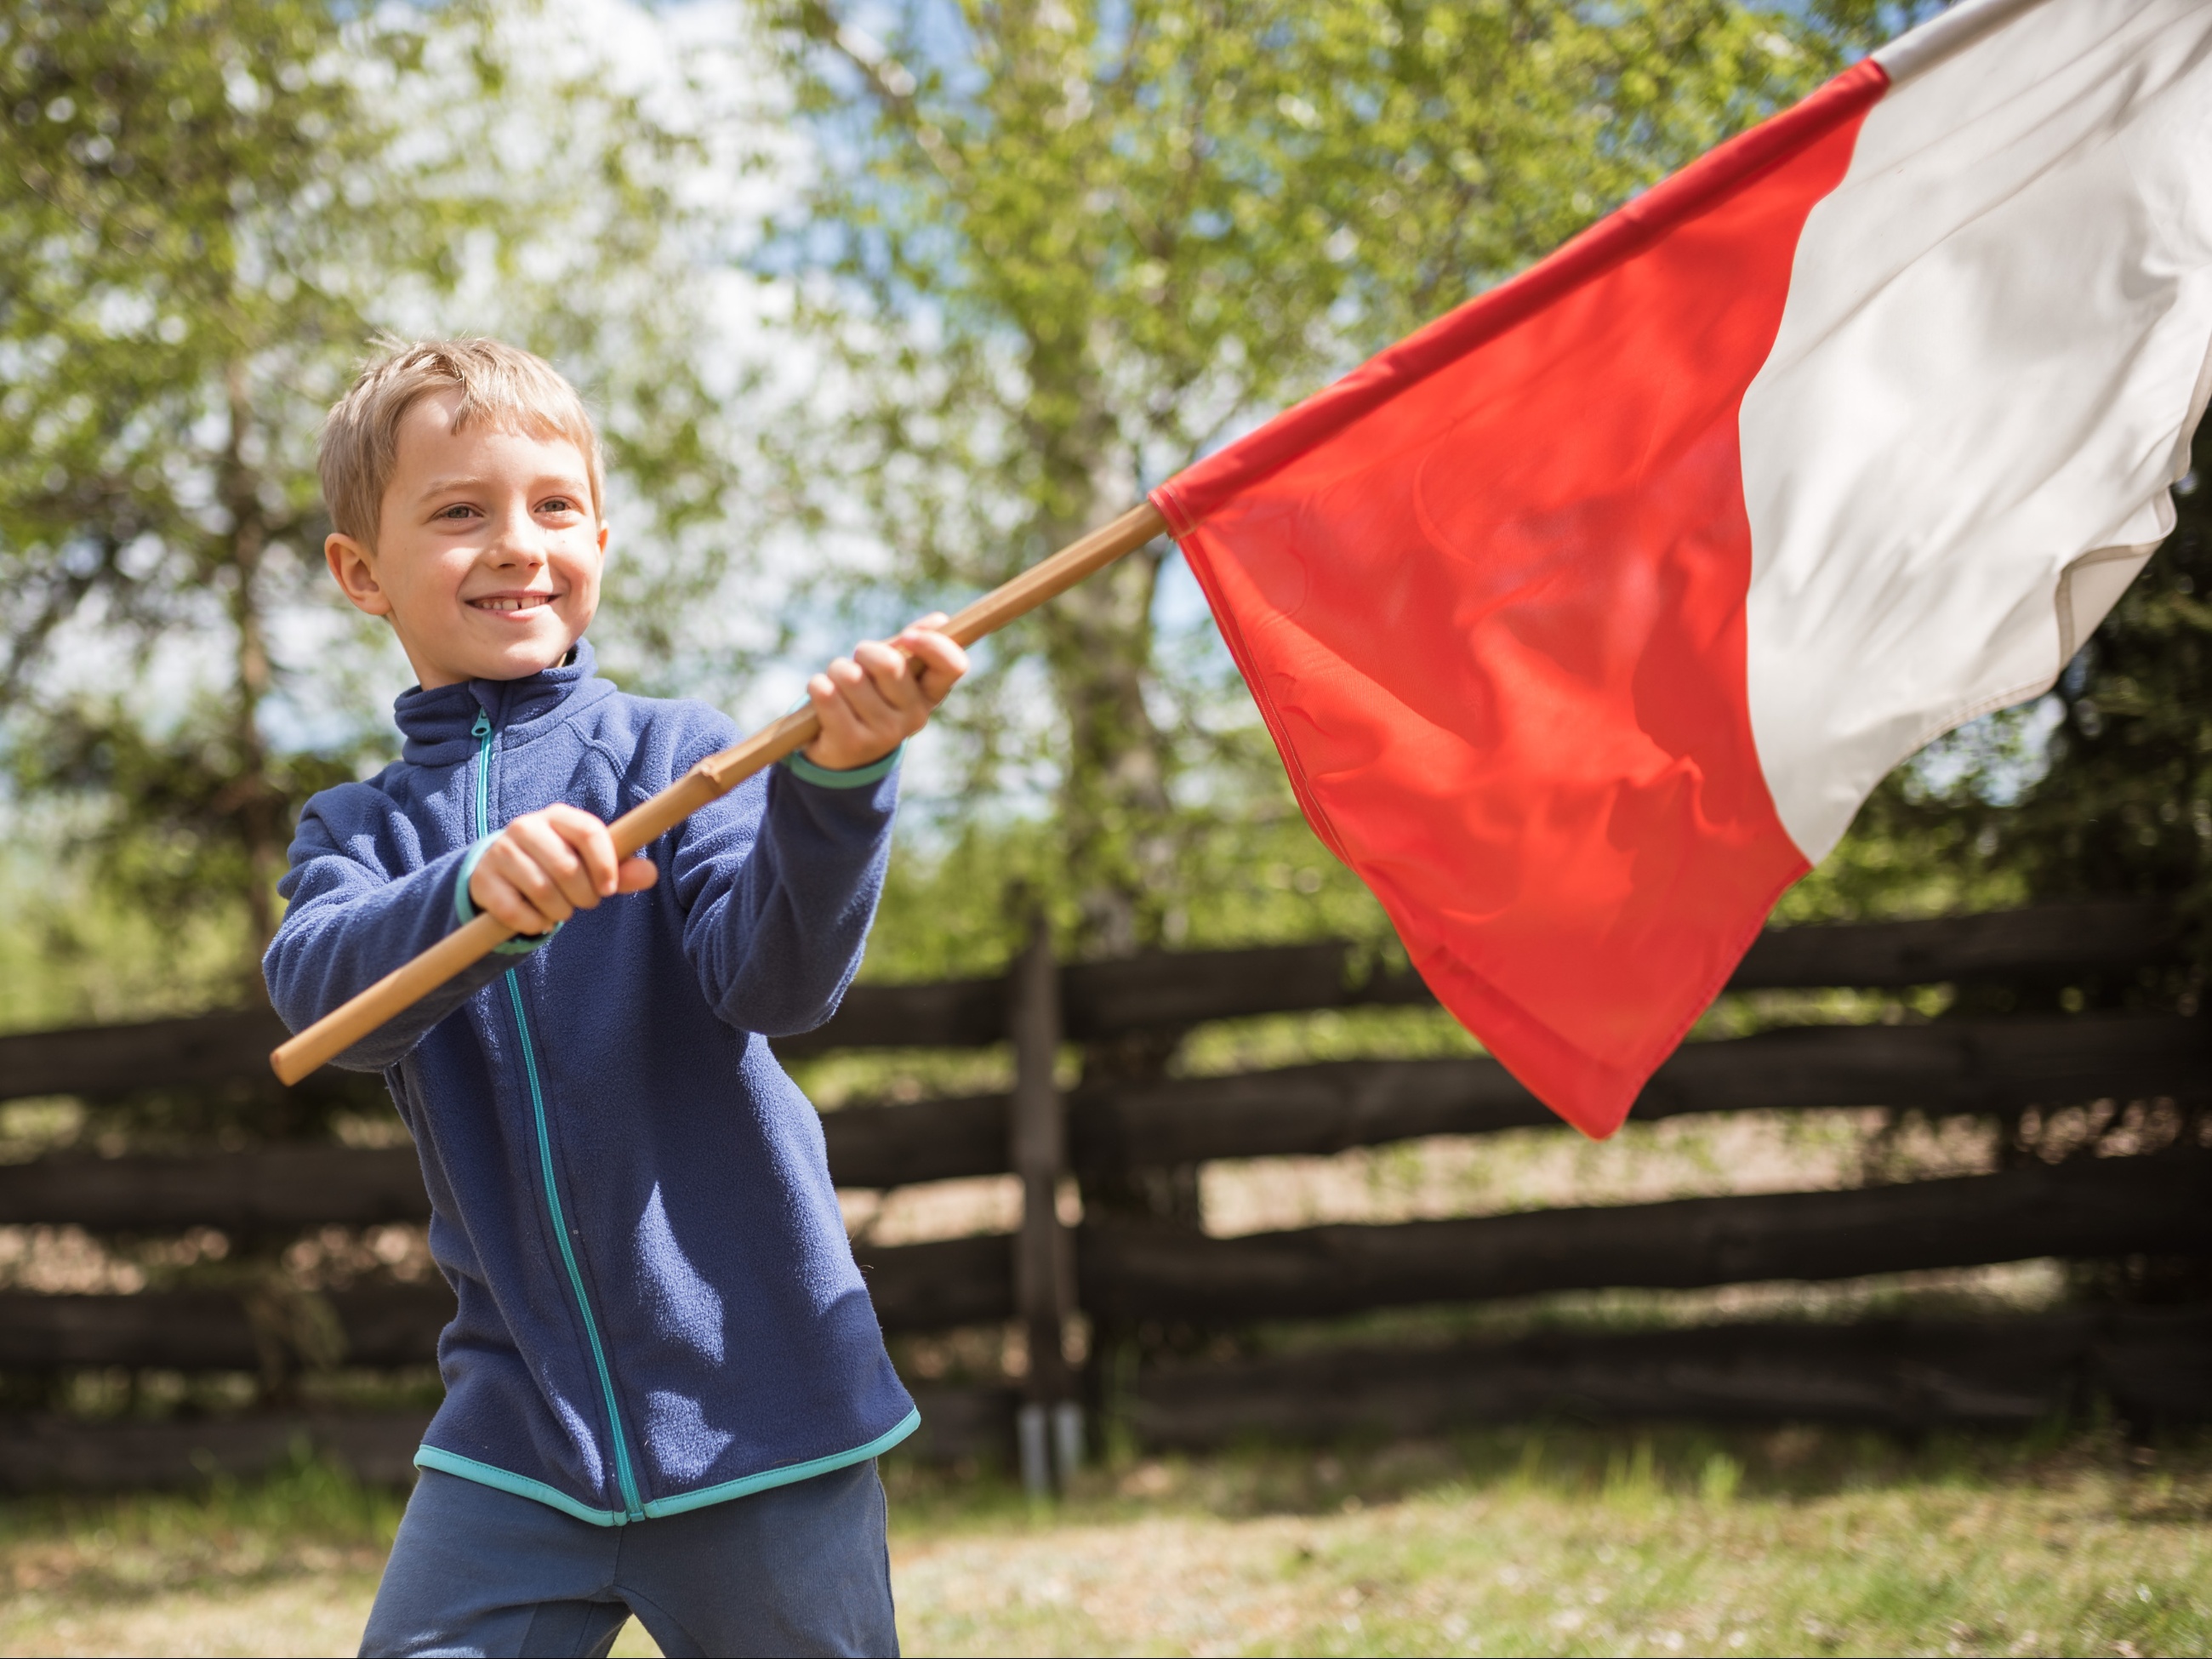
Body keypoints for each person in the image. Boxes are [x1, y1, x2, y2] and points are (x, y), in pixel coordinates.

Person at [262, 337, 966, 1657]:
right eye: (460, 511)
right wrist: (468, 891)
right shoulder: (358, 826)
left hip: (762, 1412)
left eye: (555, 506)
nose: (518, 543)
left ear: (602, 536)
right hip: (517, 1436)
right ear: (362, 572)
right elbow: (320, 998)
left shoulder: (681, 754)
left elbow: (779, 977)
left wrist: (838, 788)